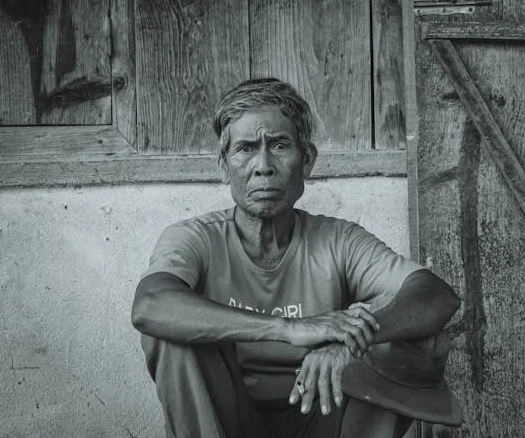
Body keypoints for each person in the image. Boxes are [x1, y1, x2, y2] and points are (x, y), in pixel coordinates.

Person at [131, 78, 462, 438]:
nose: (263, 166)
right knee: (171, 334)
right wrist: (291, 329)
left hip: (324, 411)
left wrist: (349, 342)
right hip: (228, 419)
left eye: (279, 145)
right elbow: (150, 305)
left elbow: (435, 295)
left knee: (418, 335)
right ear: (224, 166)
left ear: (308, 161)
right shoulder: (196, 238)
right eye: (245, 148)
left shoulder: (338, 239)